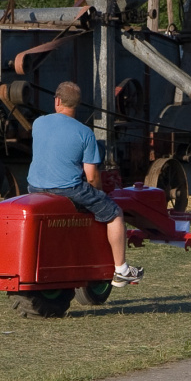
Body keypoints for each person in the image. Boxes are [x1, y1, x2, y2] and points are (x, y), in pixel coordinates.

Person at [27, 81, 143, 287]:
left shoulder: (38, 123)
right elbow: (91, 176)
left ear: (57, 101)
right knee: (114, 213)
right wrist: (99, 192)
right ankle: (121, 270)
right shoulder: (85, 133)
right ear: (76, 105)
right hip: (68, 189)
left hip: (34, 188)